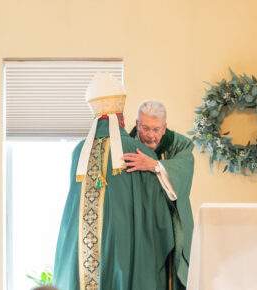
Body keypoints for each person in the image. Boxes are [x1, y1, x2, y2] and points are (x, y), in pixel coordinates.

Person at [53, 74, 175, 290]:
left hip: (81, 257)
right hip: (125, 258)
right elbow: (159, 220)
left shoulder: (79, 153)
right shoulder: (140, 153)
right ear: (121, 118)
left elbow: (70, 218)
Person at [124, 101, 194, 289]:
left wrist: (155, 165)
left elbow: (184, 174)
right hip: (136, 221)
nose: (150, 135)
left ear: (164, 127)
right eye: (145, 128)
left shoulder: (179, 145)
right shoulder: (124, 146)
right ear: (137, 124)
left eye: (156, 129)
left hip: (170, 223)